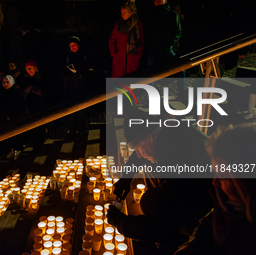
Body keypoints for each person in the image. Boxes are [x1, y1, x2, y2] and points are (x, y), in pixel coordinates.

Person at [108, 109, 213, 254]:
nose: (137, 154)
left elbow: (162, 226)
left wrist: (120, 222)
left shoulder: (178, 162)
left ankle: (176, 243)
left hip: (207, 208)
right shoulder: (166, 132)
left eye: (137, 148)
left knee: (161, 224)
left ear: (150, 137)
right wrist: (126, 179)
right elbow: (138, 155)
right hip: (192, 189)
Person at [176, 123, 256, 255]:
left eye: (222, 176)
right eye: (215, 172)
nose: (214, 182)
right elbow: (211, 221)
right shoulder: (224, 198)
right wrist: (191, 246)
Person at [108, 0, 144, 78]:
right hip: (119, 60)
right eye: (121, 13)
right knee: (118, 85)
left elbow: (140, 41)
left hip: (132, 59)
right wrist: (114, 54)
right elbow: (112, 40)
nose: (122, 15)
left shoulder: (137, 24)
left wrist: (137, 55)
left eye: (124, 13)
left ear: (131, 12)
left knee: (131, 83)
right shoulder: (119, 24)